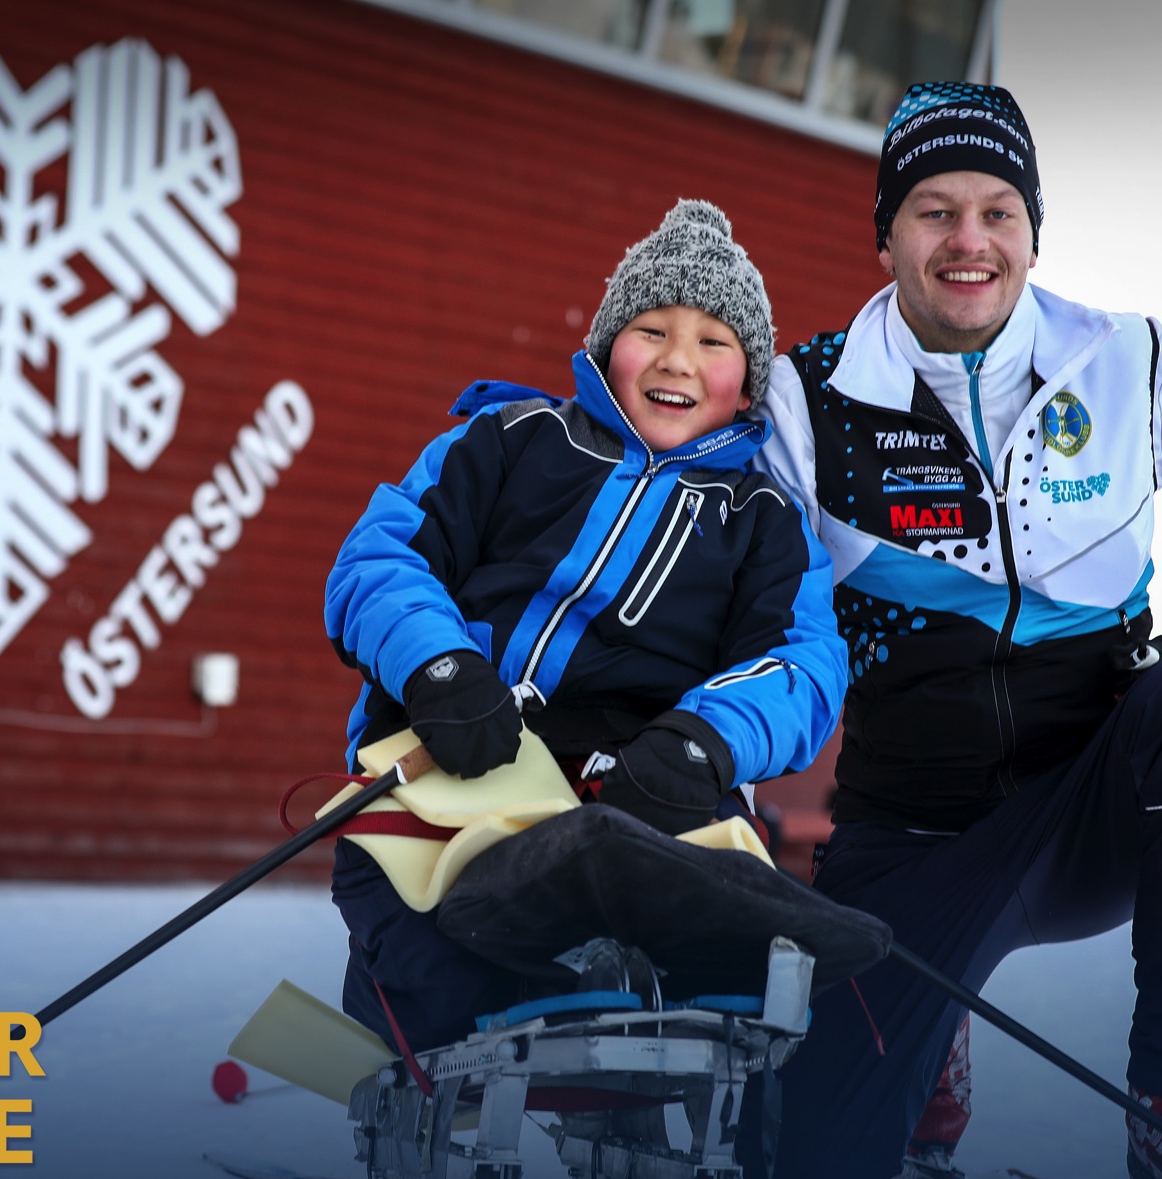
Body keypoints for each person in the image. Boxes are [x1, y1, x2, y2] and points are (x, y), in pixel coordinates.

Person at [753, 82, 1162, 1179]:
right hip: (914, 832)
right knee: (804, 1174)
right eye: (933, 211)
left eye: (996, 211)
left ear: (1030, 230)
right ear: (885, 234)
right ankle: (927, 1038)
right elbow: (756, 609)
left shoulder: (1126, 360)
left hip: (1091, 804)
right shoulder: (806, 396)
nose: (968, 241)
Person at [323, 199, 850, 1055]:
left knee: (717, 955)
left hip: (641, 792)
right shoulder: (508, 440)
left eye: (714, 342)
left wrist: (703, 742)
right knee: (433, 958)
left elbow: (805, 662)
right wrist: (439, 668)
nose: (678, 359)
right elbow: (379, 560)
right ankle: (438, 1025)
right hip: (465, 759)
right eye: (652, 329)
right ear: (608, 345)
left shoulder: (764, 522)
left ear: (746, 382)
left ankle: (680, 1051)